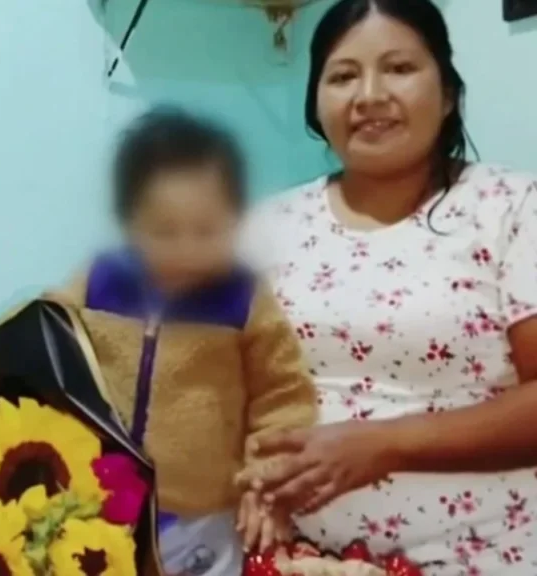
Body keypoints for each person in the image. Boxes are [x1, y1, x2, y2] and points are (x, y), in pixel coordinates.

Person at [237, 1, 537, 574]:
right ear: (315, 102)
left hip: (483, 556)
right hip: (302, 560)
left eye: (399, 68)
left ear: (448, 94)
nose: (369, 95)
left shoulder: (512, 208)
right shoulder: (267, 228)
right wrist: (249, 474)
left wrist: (385, 444)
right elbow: (225, 382)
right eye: (343, 76)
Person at [50, 108, 318, 575]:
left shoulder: (244, 299)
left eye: (207, 231)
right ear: (128, 222)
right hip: (98, 503)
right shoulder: (97, 282)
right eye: (164, 232)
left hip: (203, 515)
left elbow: (282, 397)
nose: (187, 251)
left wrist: (265, 479)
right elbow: (38, 334)